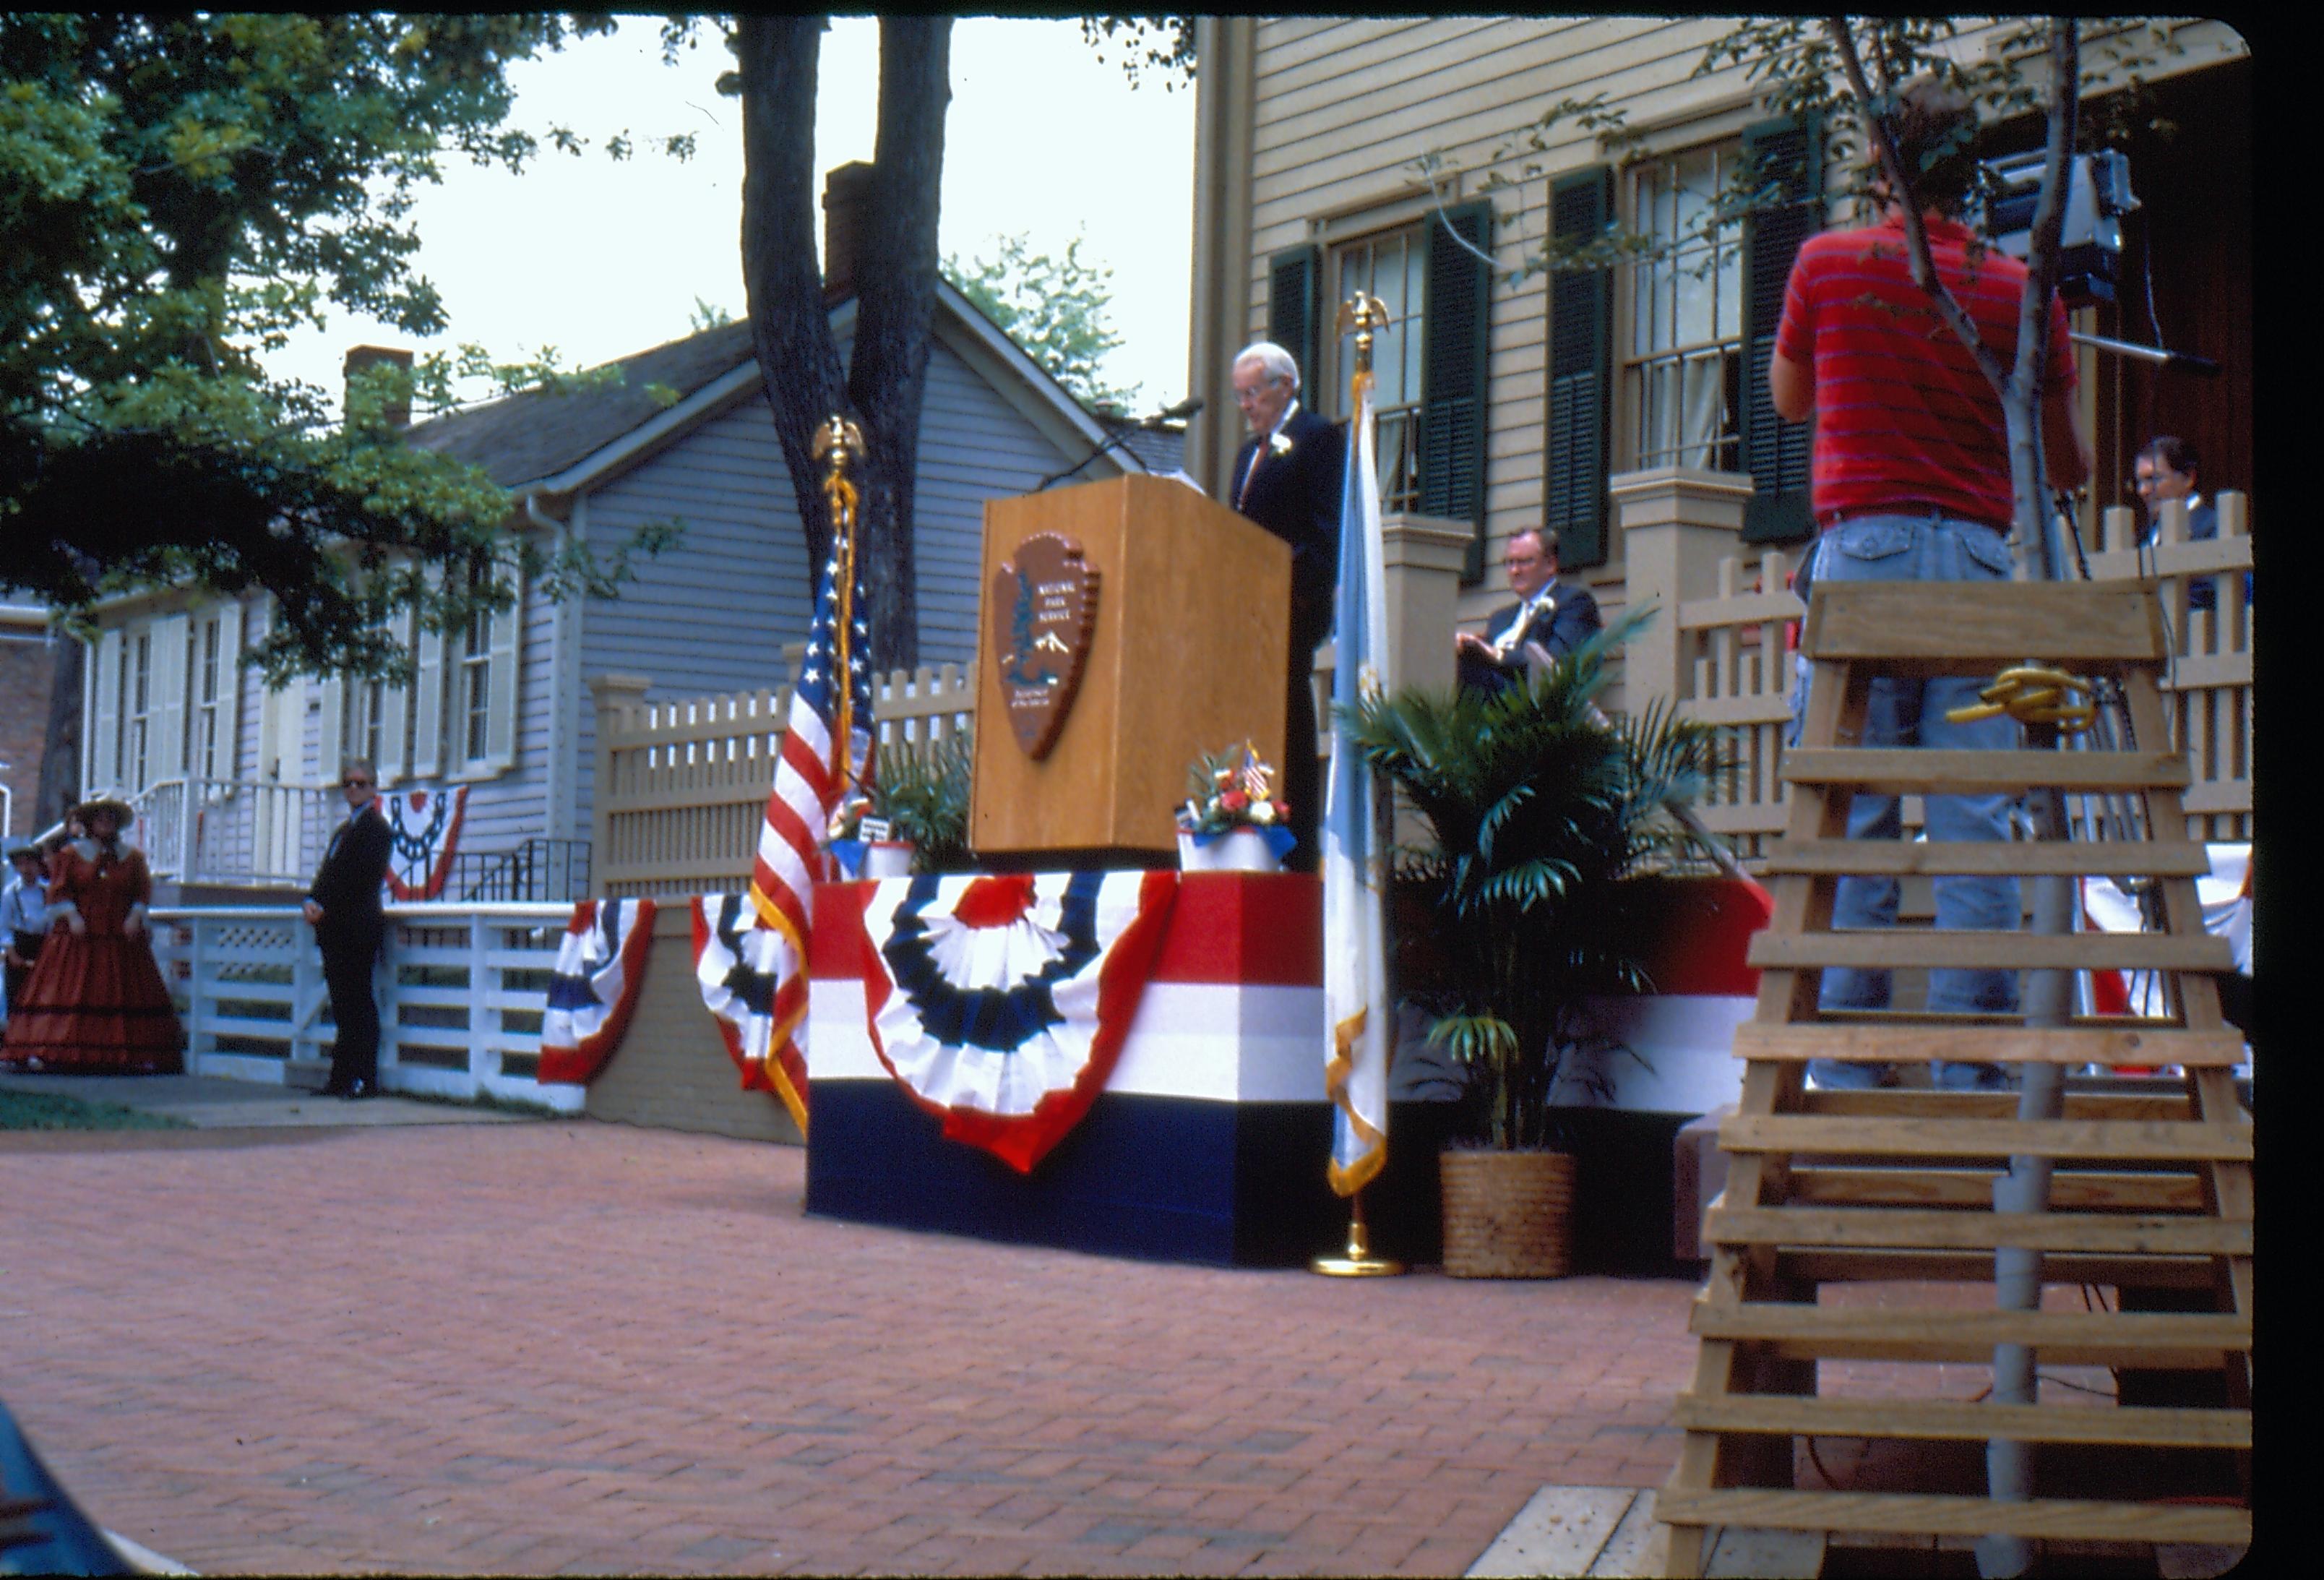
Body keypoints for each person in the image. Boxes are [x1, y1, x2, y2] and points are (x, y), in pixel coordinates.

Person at [1769, 74, 2092, 1091]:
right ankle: (1970, 1065)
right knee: (1975, 821)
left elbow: (1789, 400)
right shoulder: (2015, 286)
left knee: (1856, 814)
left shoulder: (1826, 262)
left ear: (1881, 161)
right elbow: (2068, 464)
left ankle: (1848, 1066)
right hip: (1981, 566)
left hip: (1862, 554)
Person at [1228, 340, 1347, 872]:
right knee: (1251, 720)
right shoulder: (1246, 454)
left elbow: (1326, 532)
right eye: (1240, 396)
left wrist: (1285, 582)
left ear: (1286, 385)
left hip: (1293, 604)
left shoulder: (1316, 437)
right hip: (1246, 610)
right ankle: (1253, 818)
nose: (1247, 405)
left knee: (1288, 716)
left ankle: (1297, 844)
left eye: (1253, 393)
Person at [0, 798, 183, 1073]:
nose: (106, 821)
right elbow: (58, 891)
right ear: (89, 823)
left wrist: (135, 915)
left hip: (119, 935)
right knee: (69, 989)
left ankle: (124, 1053)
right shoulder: (71, 855)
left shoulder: (131, 858)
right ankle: (60, 1050)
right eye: (101, 817)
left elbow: (141, 891)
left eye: (111, 817)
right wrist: (71, 915)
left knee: (121, 991)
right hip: (79, 936)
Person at [304, 757, 394, 1099]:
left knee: (359, 1002)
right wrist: (311, 900)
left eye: (361, 783)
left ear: (373, 788)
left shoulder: (378, 830)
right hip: (333, 930)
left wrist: (326, 906)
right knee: (341, 1004)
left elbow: (361, 881)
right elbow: (328, 874)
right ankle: (340, 1078)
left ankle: (365, 1079)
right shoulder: (343, 832)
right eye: (349, 784)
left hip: (357, 926)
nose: (354, 789)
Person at [1455, 527, 1603, 695]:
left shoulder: (1574, 603)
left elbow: (1554, 663)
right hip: (1485, 712)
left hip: (1536, 712)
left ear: (1550, 564)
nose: (1515, 571)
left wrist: (1497, 655)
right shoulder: (1500, 619)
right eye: (1510, 562)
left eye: (1524, 562)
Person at [2133, 435, 2245, 612]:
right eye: (2139, 482)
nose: (2143, 491)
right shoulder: (2143, 537)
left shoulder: (2215, 528)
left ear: (2188, 478)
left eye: (2153, 479)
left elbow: (2213, 594)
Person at [2, 843, 53, 1026]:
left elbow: (53, 922)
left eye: (30, 864)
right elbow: (4, 927)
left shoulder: (48, 891)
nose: (26, 869)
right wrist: (12, 953)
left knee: (42, 997)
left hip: (42, 945)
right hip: (20, 945)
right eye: (21, 865)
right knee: (17, 997)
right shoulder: (10, 893)